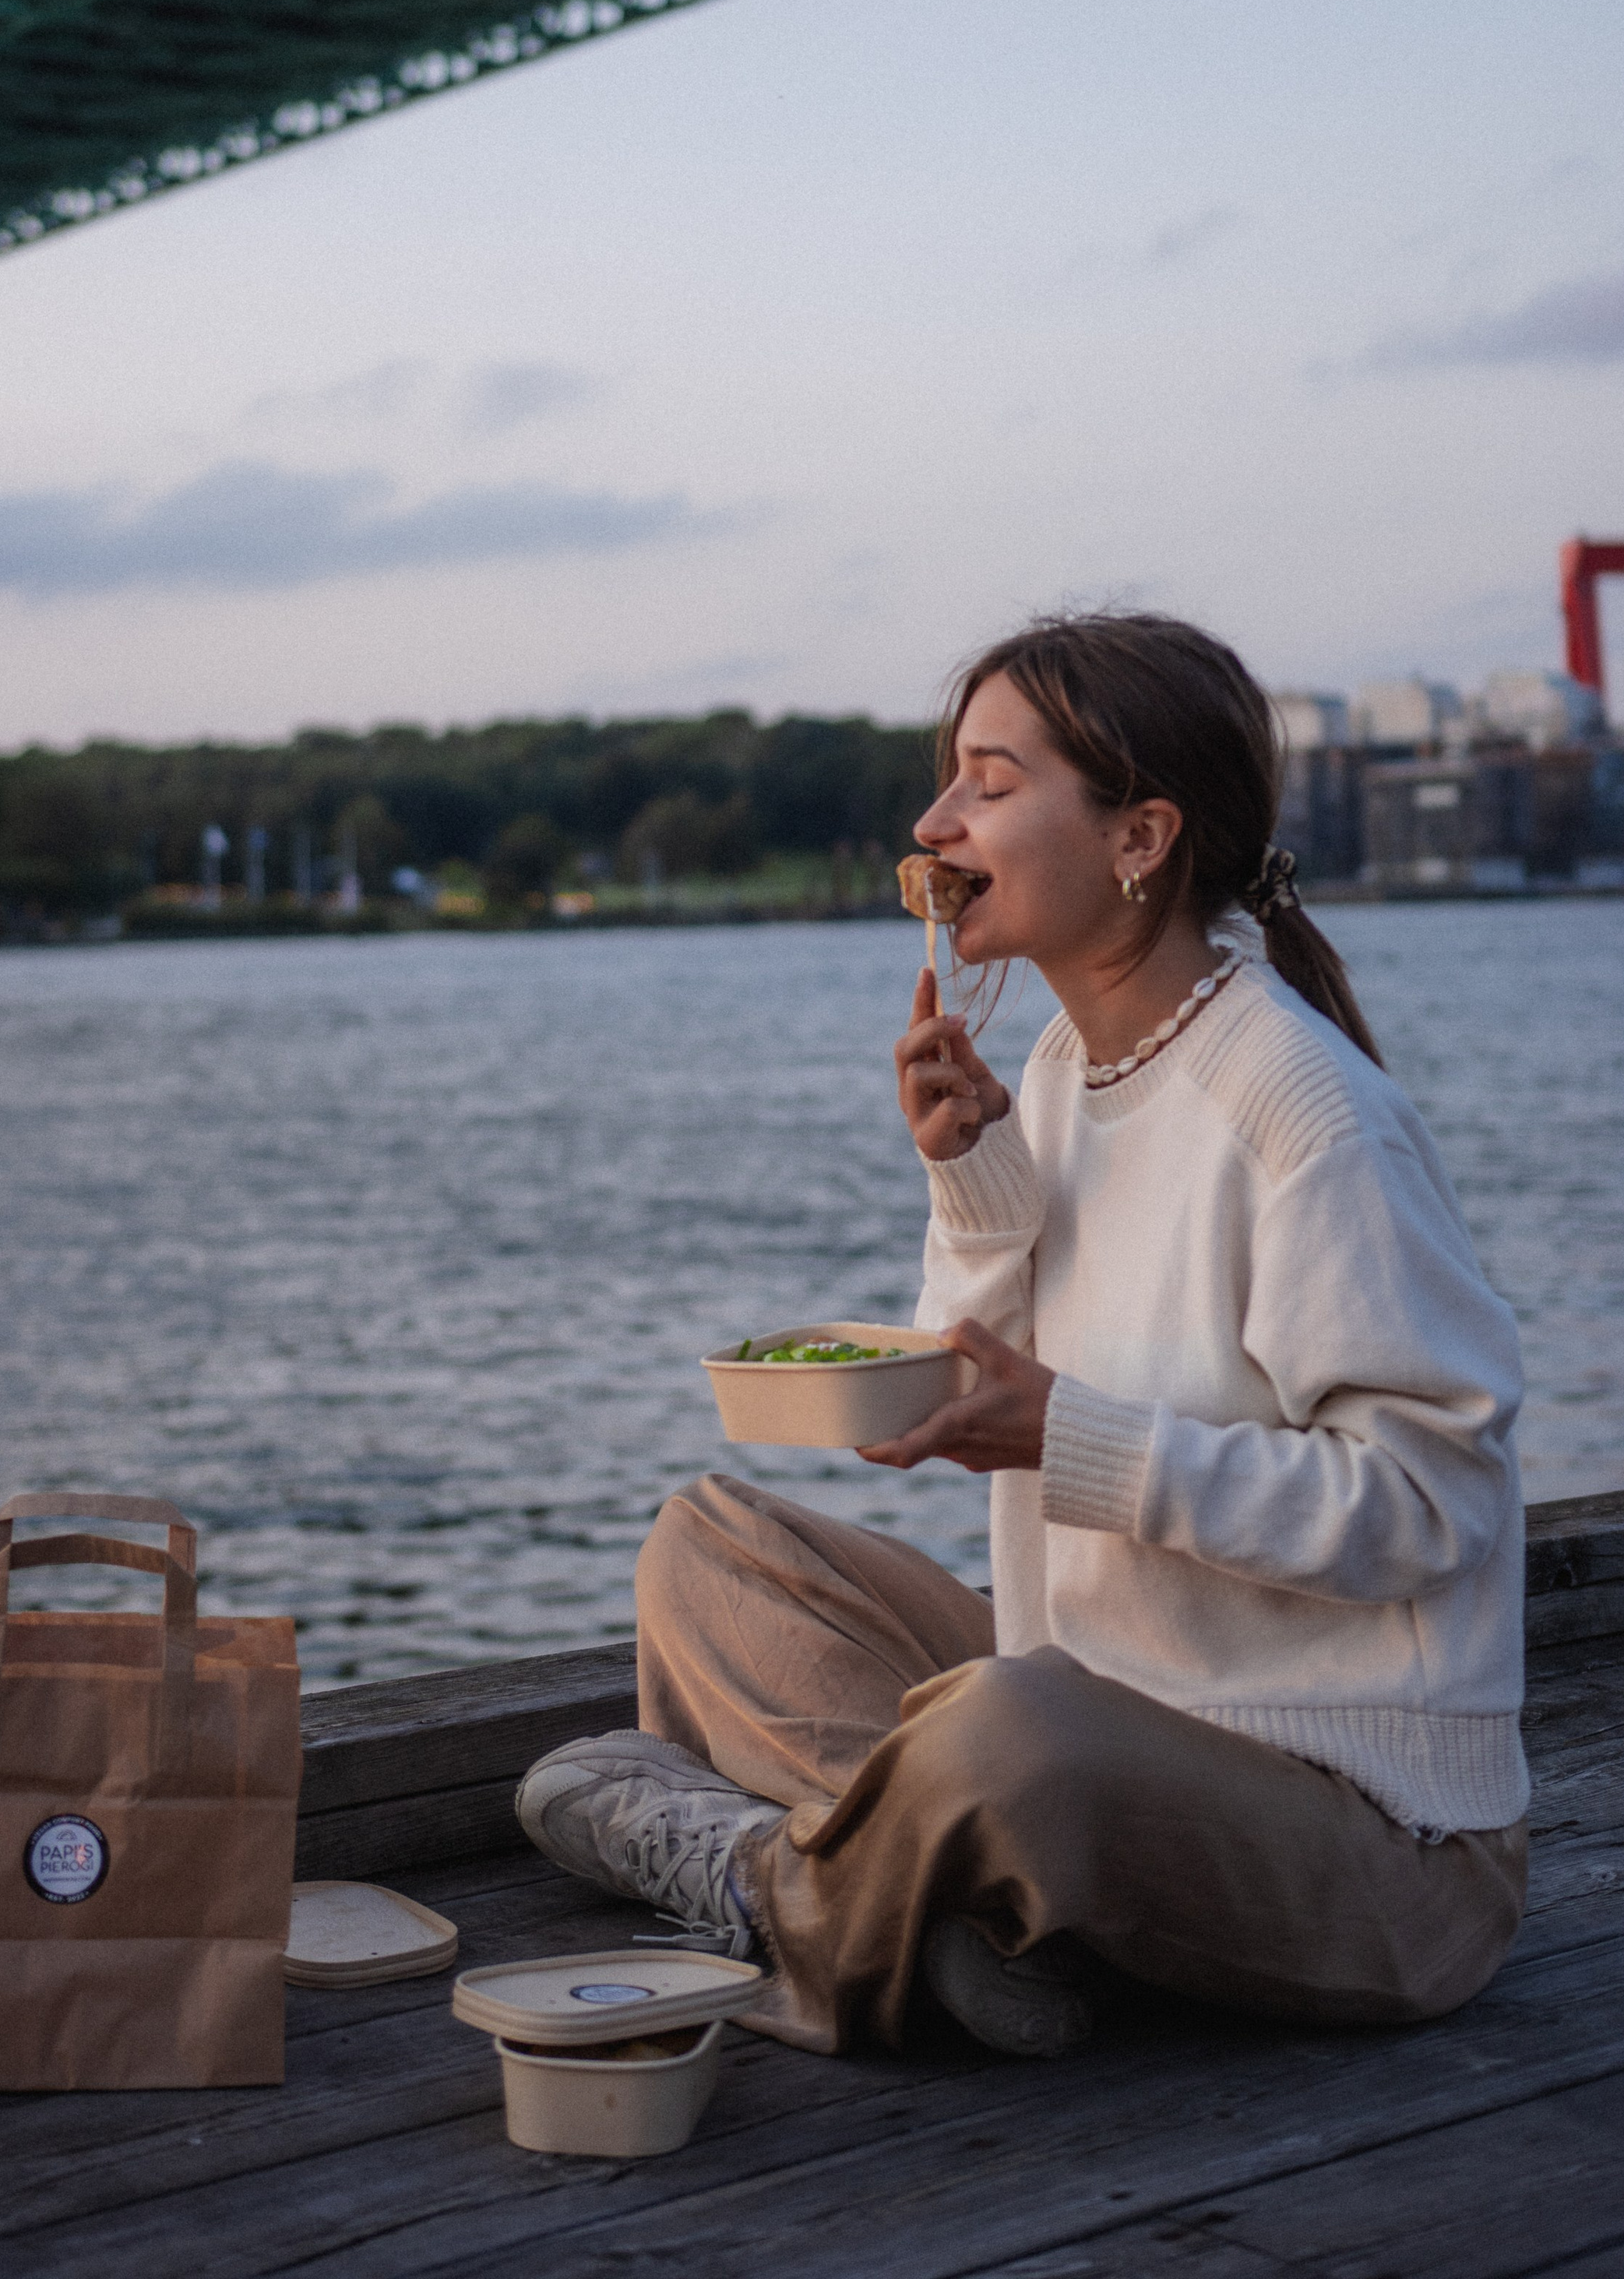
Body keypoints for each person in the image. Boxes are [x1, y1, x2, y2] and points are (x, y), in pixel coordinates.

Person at [517, 613, 1528, 2058]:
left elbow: (1440, 1507)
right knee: (710, 1546)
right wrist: (978, 1187)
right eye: (947, 782)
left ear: (1141, 837)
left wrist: (1082, 1443)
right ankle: (988, 1930)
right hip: (1117, 1717)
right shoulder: (1059, 1071)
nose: (934, 823)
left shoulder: (1302, 1115)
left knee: (1009, 1736)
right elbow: (956, 1407)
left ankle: (773, 1885)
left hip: (1372, 1841)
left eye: (989, 783)